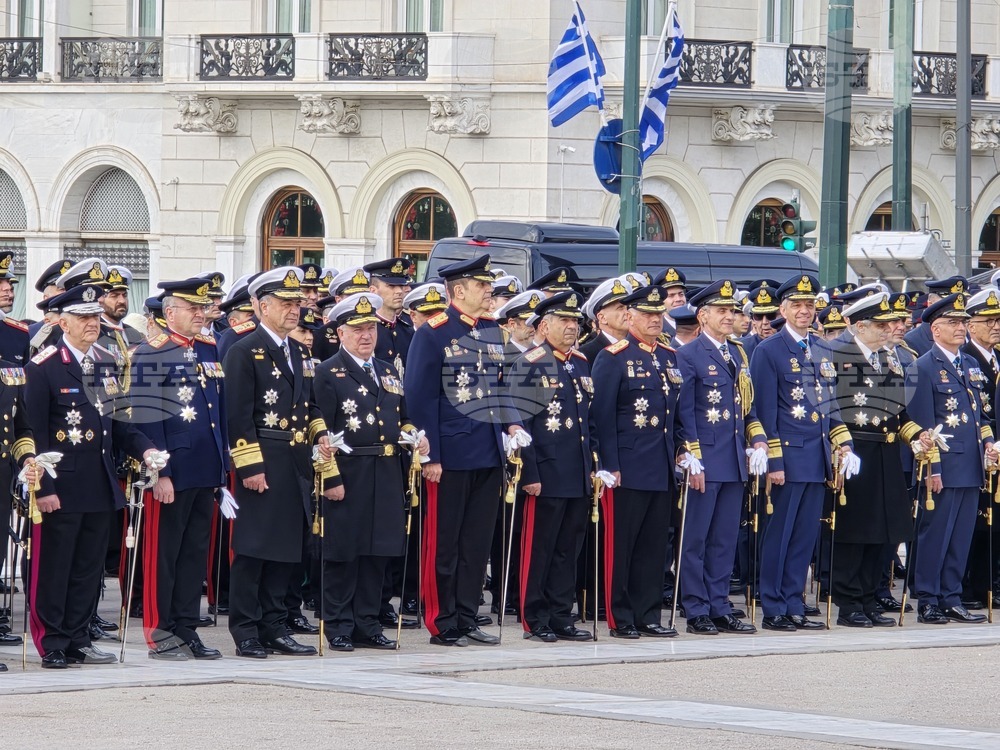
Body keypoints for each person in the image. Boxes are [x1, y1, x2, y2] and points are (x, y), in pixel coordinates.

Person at [25, 284, 161, 669]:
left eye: (94, 317)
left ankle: (79, 637)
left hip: (98, 484)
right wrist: (43, 488)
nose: (91, 324)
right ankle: (52, 641)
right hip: (61, 485)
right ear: (63, 321)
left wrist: (145, 449)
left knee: (87, 569)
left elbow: (120, 422)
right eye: (82, 318)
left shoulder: (105, 361)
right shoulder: (45, 366)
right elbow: (32, 432)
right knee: (56, 567)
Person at [405, 255, 530, 647]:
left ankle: (466, 614)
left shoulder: (493, 330)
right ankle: (442, 620)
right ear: (458, 291)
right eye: (481, 285)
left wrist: (512, 424)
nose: (489, 291)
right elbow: (421, 398)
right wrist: (431, 456)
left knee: (475, 543)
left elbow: (504, 387)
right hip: (451, 456)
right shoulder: (434, 333)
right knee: (445, 542)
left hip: (488, 452)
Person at [223, 267, 333, 658]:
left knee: (287, 549)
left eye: (297, 303)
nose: (295, 310)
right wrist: (250, 467)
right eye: (286, 303)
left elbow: (310, 405)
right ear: (261, 306)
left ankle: (274, 625)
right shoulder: (244, 351)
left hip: (296, 462)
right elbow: (237, 415)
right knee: (255, 550)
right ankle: (247, 629)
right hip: (264, 460)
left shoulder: (300, 351)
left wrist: (321, 434)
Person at [312, 292, 429, 651]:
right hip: (350, 470)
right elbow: (319, 426)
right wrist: (330, 478)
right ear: (341, 332)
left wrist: (414, 436)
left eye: (371, 328)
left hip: (386, 469)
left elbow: (402, 416)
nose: (366, 335)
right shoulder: (328, 371)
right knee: (344, 552)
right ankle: (339, 626)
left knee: (377, 552)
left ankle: (368, 622)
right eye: (357, 329)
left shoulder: (388, 369)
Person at [749, 274, 858, 632]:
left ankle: (794, 601)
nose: (804, 311)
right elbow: (765, 411)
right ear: (783, 309)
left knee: (804, 537)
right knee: (779, 534)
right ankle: (774, 604)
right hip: (788, 459)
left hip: (816, 458)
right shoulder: (769, 350)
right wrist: (775, 462)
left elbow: (831, 405)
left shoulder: (821, 348)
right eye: (797, 305)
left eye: (809, 305)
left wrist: (844, 444)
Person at [130, 278, 228, 660]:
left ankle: (187, 626)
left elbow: (216, 411)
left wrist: (222, 466)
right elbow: (145, 418)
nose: (201, 314)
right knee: (164, 554)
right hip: (172, 470)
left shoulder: (207, 347)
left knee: (193, 554)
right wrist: (160, 473)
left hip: (205, 468)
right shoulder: (151, 352)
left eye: (203, 308)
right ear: (170, 313)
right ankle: (160, 631)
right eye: (193, 308)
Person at [592, 284, 691, 639]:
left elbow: (673, 414)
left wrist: (683, 449)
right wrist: (609, 464)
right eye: (647, 314)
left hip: (661, 466)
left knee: (653, 547)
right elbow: (601, 417)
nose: (654, 320)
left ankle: (648, 614)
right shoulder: (613, 356)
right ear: (629, 316)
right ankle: (621, 616)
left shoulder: (667, 356)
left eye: (658, 314)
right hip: (627, 468)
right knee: (623, 547)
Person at [827, 293, 931, 628]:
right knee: (856, 530)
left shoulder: (889, 359)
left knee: (883, 531)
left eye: (889, 324)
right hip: (857, 452)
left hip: (887, 453)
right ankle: (849, 601)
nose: (889, 330)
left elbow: (898, 414)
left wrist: (916, 435)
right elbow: (833, 411)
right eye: (881, 325)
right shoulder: (840, 358)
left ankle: (870, 597)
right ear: (860, 326)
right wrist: (841, 446)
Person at [675, 280, 766, 635]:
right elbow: (684, 414)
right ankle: (695, 606)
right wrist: (691, 457)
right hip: (705, 460)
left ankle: (719, 604)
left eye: (732, 311)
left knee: (724, 538)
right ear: (703, 315)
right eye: (722, 311)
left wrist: (757, 441)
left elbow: (748, 408)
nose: (730, 317)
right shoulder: (688, 354)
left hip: (733, 460)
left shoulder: (739, 353)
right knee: (696, 537)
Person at [508, 291, 596, 642]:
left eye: (575, 321)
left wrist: (594, 465)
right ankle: (535, 616)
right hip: (545, 471)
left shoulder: (579, 362)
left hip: (576, 470)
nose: (573, 327)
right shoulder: (531, 362)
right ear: (544, 326)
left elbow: (587, 422)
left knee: (567, 550)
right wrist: (529, 473)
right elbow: (522, 423)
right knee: (539, 548)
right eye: (565, 321)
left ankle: (562, 614)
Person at [906, 292, 996, 625]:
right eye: (953, 323)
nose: (961, 328)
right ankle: (928, 598)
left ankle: (951, 595)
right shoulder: (923, 367)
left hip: (971, 464)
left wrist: (988, 445)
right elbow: (923, 425)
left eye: (963, 322)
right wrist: (932, 470)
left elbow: (981, 417)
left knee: (960, 536)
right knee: (936, 535)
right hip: (942, 467)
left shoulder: (970, 364)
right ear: (935, 329)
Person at [960, 287, 1000, 606]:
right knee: (978, 522)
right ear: (971, 325)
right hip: (980, 450)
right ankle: (972, 586)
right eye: (988, 321)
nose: (996, 326)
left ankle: (991, 583)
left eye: (998, 319)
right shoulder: (966, 358)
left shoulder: (996, 357)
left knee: (995, 522)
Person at [904, 276, 967, 356]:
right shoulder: (912, 340)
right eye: (946, 304)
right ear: (930, 303)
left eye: (959, 302)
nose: (955, 308)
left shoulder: (968, 335)